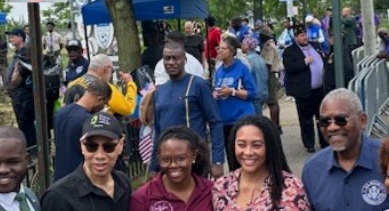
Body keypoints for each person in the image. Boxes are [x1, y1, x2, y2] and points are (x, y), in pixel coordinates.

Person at [141, 41, 225, 175]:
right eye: (167, 58)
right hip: (168, 163)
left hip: (194, 161)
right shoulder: (160, 91)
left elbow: (215, 122)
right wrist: (153, 167)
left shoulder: (198, 85)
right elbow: (157, 132)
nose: (171, 62)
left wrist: (217, 161)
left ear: (184, 60)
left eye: (176, 58)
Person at [52, 77, 111, 180]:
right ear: (100, 99)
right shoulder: (89, 121)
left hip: (60, 176)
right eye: (104, 104)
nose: (103, 107)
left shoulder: (60, 113)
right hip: (80, 178)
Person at [281, 25, 326, 154]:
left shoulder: (315, 45)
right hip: (304, 91)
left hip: (320, 90)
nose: (304, 37)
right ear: (296, 37)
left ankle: (324, 141)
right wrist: (304, 61)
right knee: (306, 119)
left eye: (305, 34)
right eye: (301, 35)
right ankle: (309, 143)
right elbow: (289, 67)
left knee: (321, 117)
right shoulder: (290, 51)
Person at [212, 39, 256, 141]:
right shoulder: (219, 71)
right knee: (229, 152)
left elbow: (252, 93)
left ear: (232, 51)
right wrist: (215, 94)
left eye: (223, 48)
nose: (220, 51)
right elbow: (216, 88)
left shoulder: (242, 68)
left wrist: (232, 92)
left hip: (241, 119)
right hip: (224, 120)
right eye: (219, 48)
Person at [68, 54, 138, 118]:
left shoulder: (72, 84)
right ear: (106, 68)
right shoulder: (105, 88)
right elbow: (128, 109)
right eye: (112, 71)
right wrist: (130, 83)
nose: (111, 75)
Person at [5, 31, 37, 150]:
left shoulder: (25, 53)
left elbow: (19, 75)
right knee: (23, 124)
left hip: (24, 95)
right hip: (17, 95)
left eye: (13, 37)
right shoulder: (18, 53)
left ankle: (32, 150)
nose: (10, 39)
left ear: (20, 38)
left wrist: (12, 85)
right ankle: (29, 149)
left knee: (26, 124)